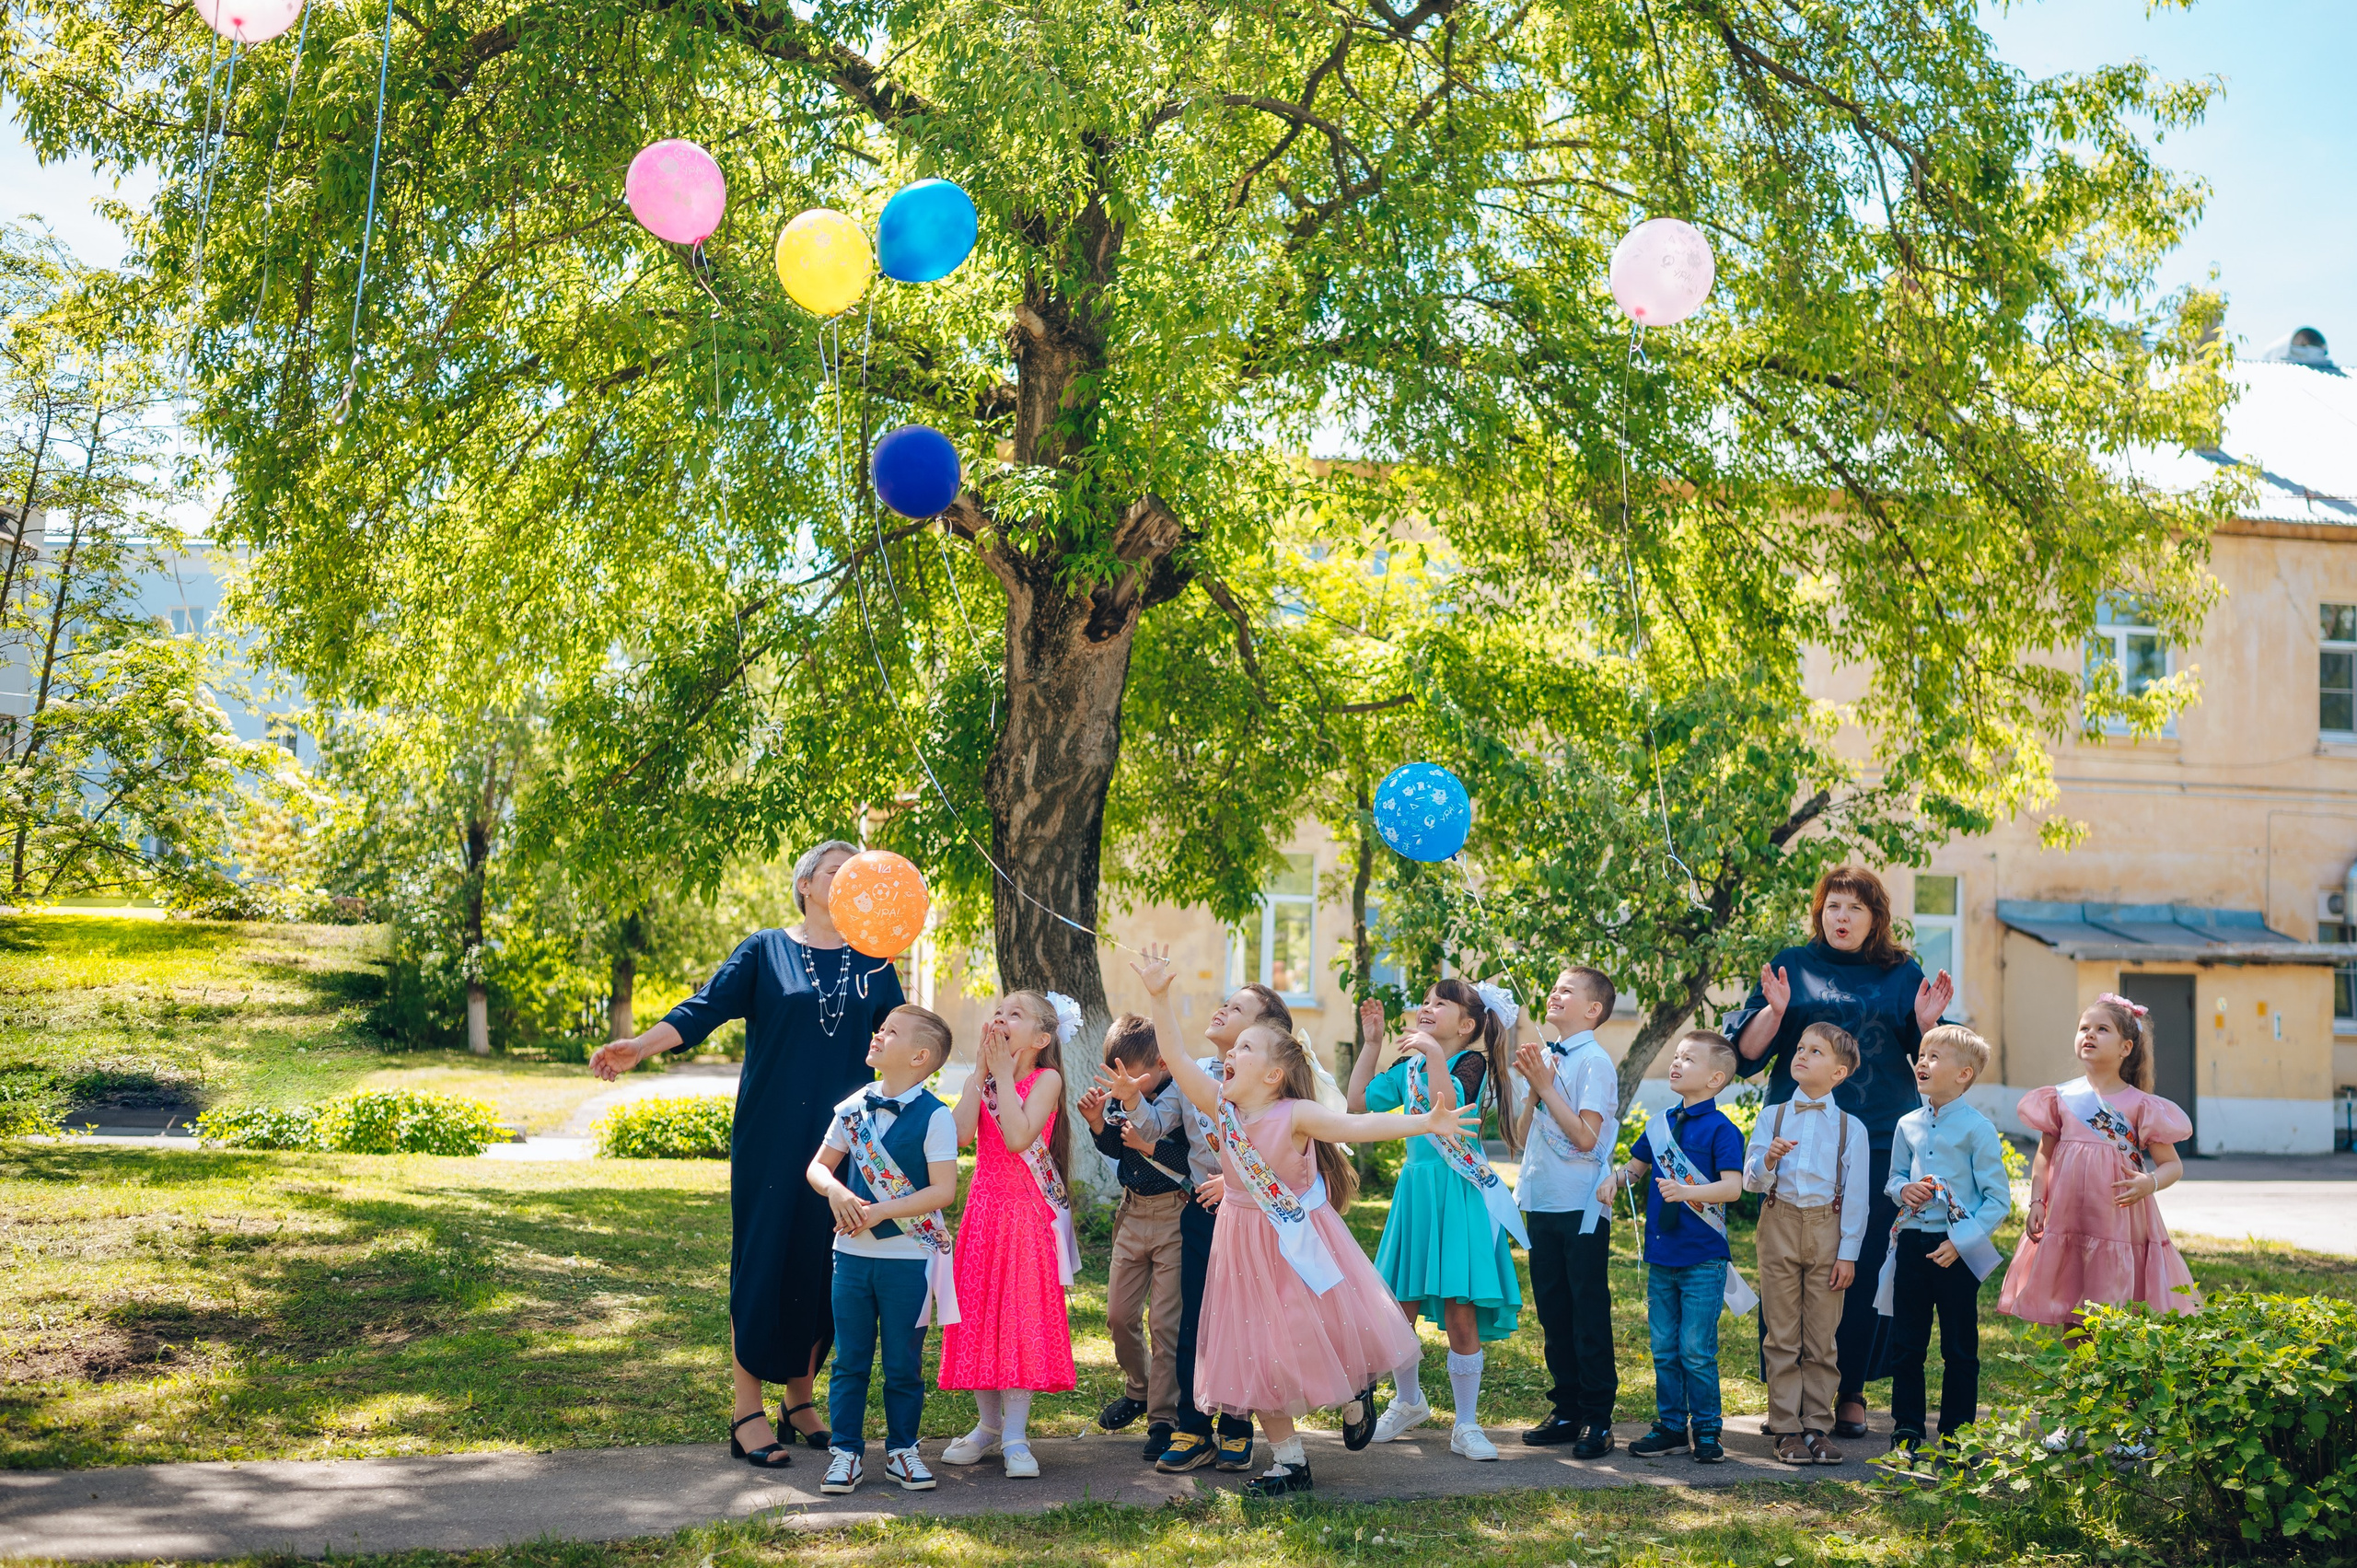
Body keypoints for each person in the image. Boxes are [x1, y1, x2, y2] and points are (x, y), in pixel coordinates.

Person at [589, 839, 904, 1468]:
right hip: (771, 1139)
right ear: (807, 884)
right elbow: (704, 1010)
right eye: (836, 871)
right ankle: (745, 1411)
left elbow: (906, 1036)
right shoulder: (766, 950)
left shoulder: (875, 961)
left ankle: (799, 1401)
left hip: (848, 1143)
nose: (847, 882)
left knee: (825, 1265)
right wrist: (641, 1047)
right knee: (763, 1263)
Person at [1122, 947, 1481, 1498]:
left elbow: (1357, 1126)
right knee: (1254, 1350)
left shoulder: (1295, 1115)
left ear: (1272, 1074)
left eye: (1245, 1047)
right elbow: (1174, 1051)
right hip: (1240, 1246)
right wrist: (1160, 995)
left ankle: (1357, 1385)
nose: (1230, 1055)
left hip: (1296, 1240)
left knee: (1316, 1330)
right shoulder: (1223, 1108)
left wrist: (1426, 1121)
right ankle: (1290, 1461)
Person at [1723, 864, 1953, 1439]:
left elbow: (1928, 1056)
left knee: (1858, 1263)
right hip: (1799, 1140)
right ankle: (1791, 1391)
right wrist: (1775, 1013)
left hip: (1876, 1138)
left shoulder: (1901, 972)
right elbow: (1746, 1056)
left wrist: (1928, 1025)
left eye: (1854, 907)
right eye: (1832, 906)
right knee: (1791, 1266)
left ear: (1875, 918)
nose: (1841, 917)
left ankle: (1848, 1390)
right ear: (1819, 912)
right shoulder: (1792, 965)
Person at [1347, 978, 1524, 1460]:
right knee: (1398, 1309)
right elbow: (1357, 1104)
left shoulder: (1472, 1062)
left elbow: (1448, 1110)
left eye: (1439, 1004)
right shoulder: (1410, 1065)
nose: (1427, 1008)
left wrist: (1432, 1054)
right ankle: (1408, 1401)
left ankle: (1465, 1424)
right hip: (1417, 1192)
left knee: (1459, 1311)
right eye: (1425, 1002)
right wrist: (1374, 1045)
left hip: (1457, 1193)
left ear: (1467, 1024)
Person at [1138, 979, 1300, 1475]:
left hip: (1257, 1220)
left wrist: (1237, 1186)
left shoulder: (1283, 1091)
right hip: (1202, 1216)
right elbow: (1155, 1132)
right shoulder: (1200, 1080)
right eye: (1224, 1004)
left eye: (1236, 1010)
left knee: (1247, 1322)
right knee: (1195, 1318)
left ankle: (1236, 1425)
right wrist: (1127, 1102)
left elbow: (1300, 1161)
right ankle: (1192, 1426)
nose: (1221, 1011)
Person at [804, 1005, 960, 1494]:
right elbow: (818, 1168)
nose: (878, 1035)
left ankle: (902, 1451)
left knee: (902, 1363)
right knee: (850, 1359)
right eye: (880, 1028)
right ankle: (845, 1453)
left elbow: (943, 1192)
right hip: (850, 1259)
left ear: (919, 1056)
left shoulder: (936, 1117)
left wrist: (879, 1212)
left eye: (890, 1032)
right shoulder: (852, 1109)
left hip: (909, 1261)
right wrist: (835, 1191)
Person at [937, 990, 1081, 1479]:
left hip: (1025, 1216)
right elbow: (958, 1136)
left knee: (1019, 1316)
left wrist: (999, 1074)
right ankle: (987, 1426)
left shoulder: (1048, 1079)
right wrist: (979, 1074)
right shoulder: (985, 1078)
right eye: (999, 1011)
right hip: (982, 1211)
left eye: (1015, 1014)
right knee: (978, 1315)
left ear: (1042, 1039)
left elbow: (1020, 1137)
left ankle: (1016, 1435)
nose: (1001, 1017)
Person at [1998, 994, 2196, 1328]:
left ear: (2126, 1047)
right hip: (2068, 1216)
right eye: (2083, 1028)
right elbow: (2044, 1156)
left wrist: (2150, 1183)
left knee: (2113, 1311)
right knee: (2072, 1299)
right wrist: (2036, 1201)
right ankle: (2077, 1376)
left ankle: (2109, 1374)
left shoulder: (2141, 1105)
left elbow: (2172, 1165)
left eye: (2102, 1029)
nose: (2089, 1035)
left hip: (2118, 1220)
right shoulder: (2061, 1098)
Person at [1600, 1030, 1750, 1465]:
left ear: (1716, 1079)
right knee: (1663, 1347)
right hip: (1661, 1256)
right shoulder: (1659, 1124)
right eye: (1677, 1056)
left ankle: (1706, 1429)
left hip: (1703, 1256)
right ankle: (1669, 1426)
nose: (1677, 1063)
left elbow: (1733, 1189)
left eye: (1689, 1059)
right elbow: (1636, 1169)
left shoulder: (1724, 1130)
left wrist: (1686, 1192)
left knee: (1696, 1350)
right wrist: (1616, 1180)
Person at [1877, 1024, 2013, 1457]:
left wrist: (1963, 1244)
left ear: (1964, 1074)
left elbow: (1998, 1199)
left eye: (1935, 1057)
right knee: (1907, 1344)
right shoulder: (1907, 1124)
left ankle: (1958, 1435)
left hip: (1956, 1252)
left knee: (1959, 1347)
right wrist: (1903, 1190)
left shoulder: (1978, 1129)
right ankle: (1907, 1429)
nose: (1922, 1062)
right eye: (1921, 1055)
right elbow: (1894, 1176)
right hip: (1914, 1247)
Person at [1743, 1023, 1872, 1466]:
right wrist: (1768, 1160)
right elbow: (1750, 1181)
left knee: (1821, 1334)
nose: (1801, 1055)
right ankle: (1785, 1427)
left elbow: (1856, 1195)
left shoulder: (1850, 1128)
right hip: (1779, 1220)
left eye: (1815, 1051)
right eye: (1800, 1048)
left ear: (1838, 1072)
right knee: (1780, 1333)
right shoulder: (1772, 1116)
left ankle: (1817, 1424)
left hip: (1827, 1229)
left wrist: (1849, 1253)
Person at [1511, 965, 1621, 1458]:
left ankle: (1598, 1417)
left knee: (1587, 1311)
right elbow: (1516, 1137)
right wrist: (1536, 1085)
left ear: (1593, 1009)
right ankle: (1567, 1408)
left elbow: (1586, 1138)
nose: (1554, 994)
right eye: (1553, 987)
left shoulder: (1594, 1062)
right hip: (1542, 1201)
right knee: (1553, 1312)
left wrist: (1547, 1085)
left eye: (1567, 991)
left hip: (1582, 1206)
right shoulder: (1547, 1061)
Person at [1079, 1013, 1191, 1461]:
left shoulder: (1182, 1099)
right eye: (1114, 1073)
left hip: (1173, 1216)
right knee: (1118, 1315)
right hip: (1132, 1212)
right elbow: (1116, 1148)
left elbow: (1188, 1160)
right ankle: (1139, 1390)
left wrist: (1150, 1146)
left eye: (1130, 1075)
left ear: (1161, 1065)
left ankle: (1164, 1418)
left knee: (1165, 1324)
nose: (1120, 1083)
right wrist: (1096, 1125)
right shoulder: (1122, 1096)